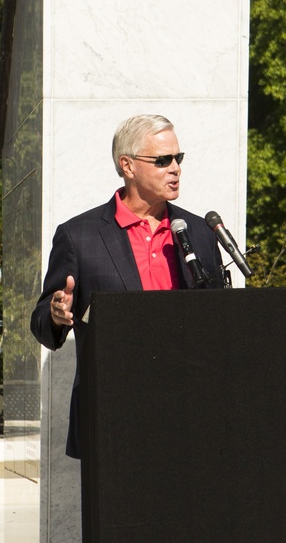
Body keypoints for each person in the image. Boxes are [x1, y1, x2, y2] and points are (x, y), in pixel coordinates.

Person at [31, 113, 224, 457]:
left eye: (178, 158)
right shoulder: (79, 236)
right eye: (163, 160)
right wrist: (57, 314)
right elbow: (43, 326)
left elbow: (222, 321)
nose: (175, 168)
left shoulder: (198, 233)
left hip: (190, 414)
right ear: (128, 165)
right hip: (113, 415)